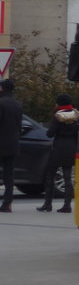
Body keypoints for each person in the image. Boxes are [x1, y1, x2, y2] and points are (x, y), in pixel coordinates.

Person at [39, 93, 79, 213]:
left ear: (59, 103)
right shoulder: (76, 115)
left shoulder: (57, 116)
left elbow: (50, 133)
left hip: (58, 148)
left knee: (50, 175)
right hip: (71, 147)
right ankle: (67, 205)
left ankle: (48, 204)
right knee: (67, 177)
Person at [0, 80, 23, 213]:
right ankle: (7, 204)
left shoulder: (1, 103)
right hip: (13, 144)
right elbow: (19, 125)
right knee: (9, 176)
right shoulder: (17, 104)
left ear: (2, 88)